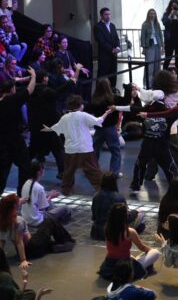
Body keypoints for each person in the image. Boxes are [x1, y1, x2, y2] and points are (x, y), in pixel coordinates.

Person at [113, 89, 178, 193]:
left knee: (140, 165)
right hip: (162, 145)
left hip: (147, 144)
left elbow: (131, 108)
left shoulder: (145, 110)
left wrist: (116, 107)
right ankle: (176, 189)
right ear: (163, 99)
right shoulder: (169, 112)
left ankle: (135, 186)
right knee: (170, 167)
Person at [42, 94, 107, 195]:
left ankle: (66, 190)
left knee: (68, 171)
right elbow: (98, 121)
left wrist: (49, 129)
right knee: (93, 171)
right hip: (85, 148)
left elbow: (57, 127)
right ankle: (102, 189)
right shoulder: (84, 115)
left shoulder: (65, 117)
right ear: (80, 105)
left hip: (70, 149)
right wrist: (107, 113)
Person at [0, 194, 74, 267]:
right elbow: (19, 242)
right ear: (14, 206)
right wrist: (23, 260)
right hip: (34, 246)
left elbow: (2, 241)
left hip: (25, 251)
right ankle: (67, 241)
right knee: (49, 221)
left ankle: (50, 247)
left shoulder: (2, 221)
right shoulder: (18, 221)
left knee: (44, 238)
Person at [98, 203, 160, 281]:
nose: (129, 212)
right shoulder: (130, 232)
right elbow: (143, 248)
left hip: (109, 264)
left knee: (130, 255)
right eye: (127, 211)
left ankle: (138, 263)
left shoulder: (107, 228)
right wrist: (151, 250)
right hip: (125, 266)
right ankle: (140, 266)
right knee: (156, 252)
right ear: (124, 217)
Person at [0, 67, 36, 195]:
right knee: (25, 165)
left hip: (1, 141)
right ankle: (22, 193)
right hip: (15, 140)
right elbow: (29, 90)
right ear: (12, 89)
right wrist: (33, 76)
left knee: (2, 170)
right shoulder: (12, 100)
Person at [91, 173, 145, 240]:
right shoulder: (119, 197)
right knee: (141, 215)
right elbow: (126, 219)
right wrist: (135, 212)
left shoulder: (96, 197)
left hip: (96, 232)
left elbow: (94, 217)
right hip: (114, 233)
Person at [87, 79, 123, 176]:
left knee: (94, 150)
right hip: (111, 128)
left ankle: (92, 171)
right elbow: (126, 101)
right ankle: (114, 173)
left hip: (99, 128)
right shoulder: (114, 99)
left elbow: (87, 110)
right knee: (115, 150)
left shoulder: (94, 100)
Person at [20, 161, 71, 229]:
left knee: (50, 203)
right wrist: (50, 197)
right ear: (39, 172)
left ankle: (54, 220)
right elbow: (42, 208)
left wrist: (47, 196)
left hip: (26, 218)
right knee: (66, 209)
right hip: (37, 220)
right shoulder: (39, 188)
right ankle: (55, 225)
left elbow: (33, 199)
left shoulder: (26, 183)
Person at [94, 7, 120, 88]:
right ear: (101, 15)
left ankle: (112, 91)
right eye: (106, 14)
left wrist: (118, 47)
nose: (108, 16)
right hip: (104, 56)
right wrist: (112, 49)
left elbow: (116, 38)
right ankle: (100, 93)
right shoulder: (98, 27)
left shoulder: (112, 26)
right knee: (103, 76)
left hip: (113, 56)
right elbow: (101, 41)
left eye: (109, 14)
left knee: (113, 75)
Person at [162, 0, 178, 78]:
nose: (174, 7)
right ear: (170, 6)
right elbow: (165, 23)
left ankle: (177, 75)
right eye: (173, 5)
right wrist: (170, 15)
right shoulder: (166, 14)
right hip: (169, 40)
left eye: (176, 5)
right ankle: (164, 75)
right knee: (168, 58)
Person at [139, 9, 163, 89]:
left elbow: (160, 35)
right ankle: (147, 83)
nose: (152, 15)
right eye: (151, 14)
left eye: (154, 14)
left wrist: (162, 46)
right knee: (149, 66)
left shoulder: (157, 24)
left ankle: (156, 83)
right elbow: (142, 36)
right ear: (148, 15)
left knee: (157, 65)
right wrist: (144, 47)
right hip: (149, 46)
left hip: (157, 46)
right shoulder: (145, 24)